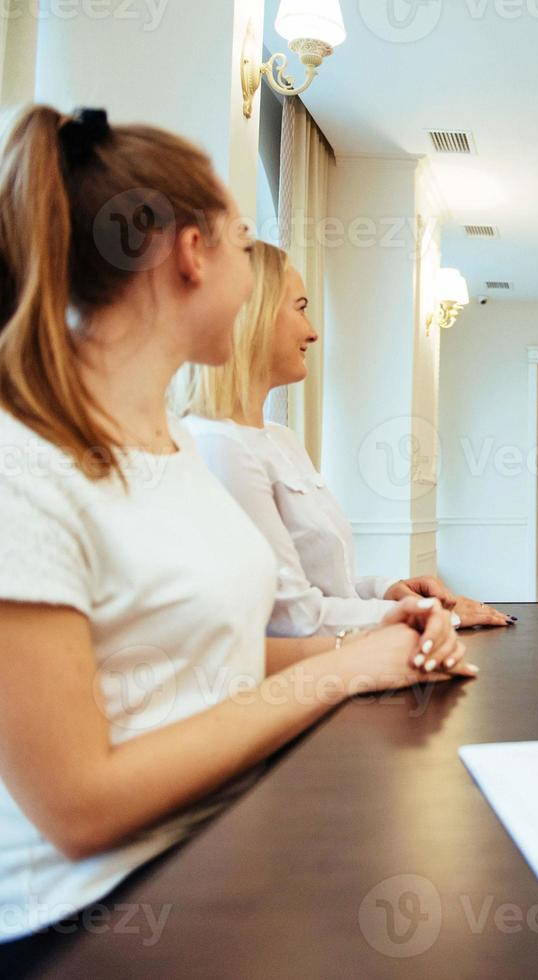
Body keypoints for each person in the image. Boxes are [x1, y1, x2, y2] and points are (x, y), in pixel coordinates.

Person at [0, 106, 472, 943]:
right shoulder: (22, 468)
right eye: (243, 240)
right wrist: (341, 673)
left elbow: (201, 650)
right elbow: (78, 805)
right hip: (90, 919)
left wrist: (366, 644)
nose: (255, 279)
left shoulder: (169, 439)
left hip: (220, 841)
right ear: (191, 253)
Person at [174, 242, 514, 637]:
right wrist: (435, 619)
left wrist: (388, 591)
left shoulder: (281, 439)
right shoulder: (221, 446)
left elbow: (325, 586)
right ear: (254, 316)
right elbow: (291, 617)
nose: (313, 331)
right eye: (300, 307)